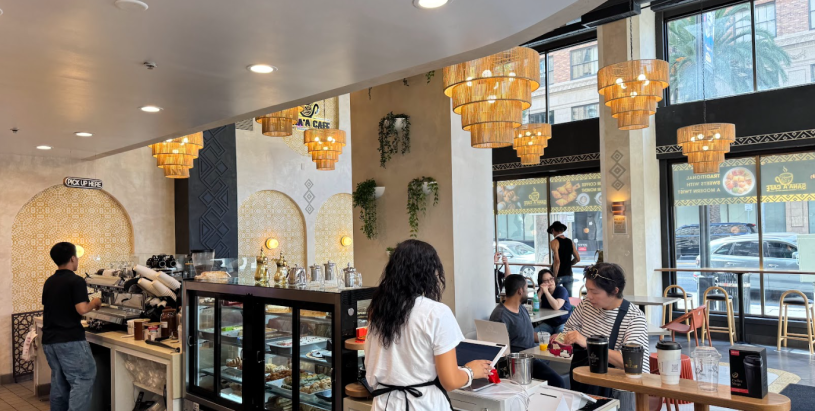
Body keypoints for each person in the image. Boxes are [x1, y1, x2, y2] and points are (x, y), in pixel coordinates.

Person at [365, 240, 493, 411]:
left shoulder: (378, 310)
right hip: (423, 405)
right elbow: (450, 381)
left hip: (383, 405)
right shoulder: (436, 312)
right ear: (427, 273)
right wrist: (471, 371)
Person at [562, 263, 649, 406]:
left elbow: (632, 364)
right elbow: (568, 331)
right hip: (585, 385)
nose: (589, 296)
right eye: (587, 290)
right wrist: (564, 339)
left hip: (618, 392)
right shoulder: (585, 306)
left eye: (595, 292)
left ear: (615, 290)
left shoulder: (634, 317)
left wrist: (589, 343)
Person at [42, 242, 102, 411]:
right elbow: (82, 309)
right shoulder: (76, 281)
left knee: (59, 382)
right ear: (73, 258)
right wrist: (95, 302)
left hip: (49, 340)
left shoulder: (50, 281)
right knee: (83, 378)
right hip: (69, 340)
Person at [489, 274, 565, 388]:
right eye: (526, 289)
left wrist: (548, 338)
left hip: (530, 359)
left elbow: (527, 334)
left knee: (558, 381)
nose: (527, 292)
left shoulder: (522, 309)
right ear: (520, 291)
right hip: (517, 366)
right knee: (557, 382)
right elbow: (500, 352)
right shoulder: (500, 316)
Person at [534, 269, 572, 334]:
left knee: (561, 336)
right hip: (548, 323)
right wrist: (540, 293)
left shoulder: (561, 290)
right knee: (533, 334)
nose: (550, 282)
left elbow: (556, 306)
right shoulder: (541, 292)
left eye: (551, 279)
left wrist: (546, 292)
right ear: (541, 283)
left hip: (563, 322)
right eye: (546, 281)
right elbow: (535, 308)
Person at [548, 221, 580, 296]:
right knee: (568, 298)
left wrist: (554, 277)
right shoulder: (570, 241)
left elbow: (557, 261)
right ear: (562, 230)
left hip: (559, 275)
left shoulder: (554, 242)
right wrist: (568, 264)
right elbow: (578, 259)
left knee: (555, 297)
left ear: (553, 230)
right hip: (569, 274)